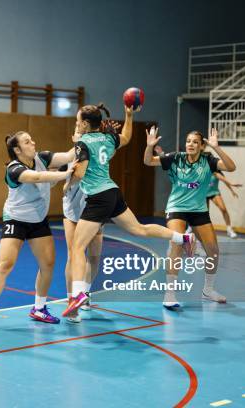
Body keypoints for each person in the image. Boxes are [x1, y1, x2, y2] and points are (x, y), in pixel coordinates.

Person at [62, 104, 195, 317]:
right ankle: (182, 238)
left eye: (78, 122)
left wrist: (69, 180)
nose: (77, 125)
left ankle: (78, 294)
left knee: (77, 249)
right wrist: (129, 115)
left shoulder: (82, 143)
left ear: (86, 124)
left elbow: (81, 172)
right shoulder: (108, 138)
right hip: (113, 193)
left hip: (97, 197)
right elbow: (125, 136)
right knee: (139, 229)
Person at [0, 131, 75, 333]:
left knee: (48, 263)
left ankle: (39, 308)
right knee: (5, 265)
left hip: (38, 220)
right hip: (16, 220)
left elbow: (69, 156)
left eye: (32, 139)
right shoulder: (14, 169)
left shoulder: (42, 158)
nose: (33, 143)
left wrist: (83, 137)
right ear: (17, 150)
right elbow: (37, 177)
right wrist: (65, 174)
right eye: (27, 142)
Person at [144, 127, 236, 309]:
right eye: (188, 141)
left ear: (202, 146)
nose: (190, 145)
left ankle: (208, 290)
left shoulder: (208, 161)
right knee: (177, 244)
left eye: (195, 142)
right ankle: (169, 294)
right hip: (177, 208)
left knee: (214, 250)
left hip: (199, 210)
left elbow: (231, 167)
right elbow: (148, 161)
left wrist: (217, 148)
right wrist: (149, 146)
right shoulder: (175, 158)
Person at [61, 120, 120, 323]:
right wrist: (66, 182)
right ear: (73, 136)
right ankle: (72, 301)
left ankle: (84, 294)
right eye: (76, 129)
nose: (80, 132)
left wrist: (110, 136)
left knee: (94, 257)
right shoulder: (70, 157)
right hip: (71, 212)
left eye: (82, 128)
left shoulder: (94, 151)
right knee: (73, 255)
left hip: (94, 208)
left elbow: (110, 150)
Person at [206, 170, 242, 239]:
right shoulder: (203, 171)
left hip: (214, 193)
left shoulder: (216, 173)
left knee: (223, 209)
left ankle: (229, 229)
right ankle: (205, 231)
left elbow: (225, 181)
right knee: (205, 214)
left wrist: (232, 190)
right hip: (203, 195)